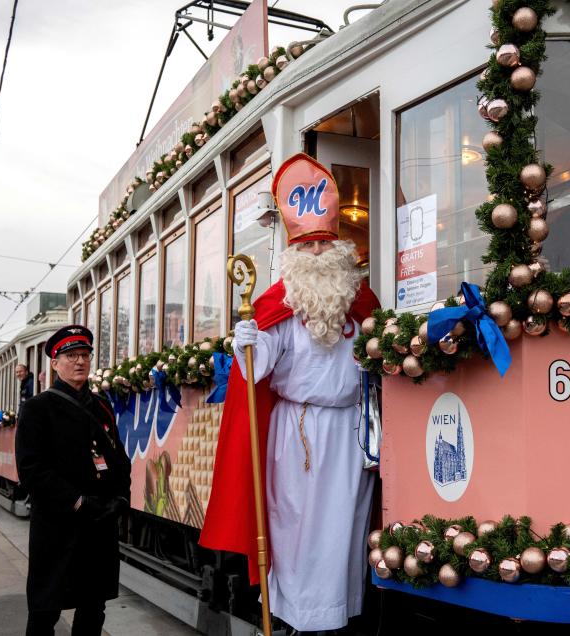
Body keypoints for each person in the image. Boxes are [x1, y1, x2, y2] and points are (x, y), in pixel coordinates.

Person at [200, 153, 380, 633]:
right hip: (298, 436)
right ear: (295, 255)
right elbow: (254, 373)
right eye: (311, 245)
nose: (320, 253)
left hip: (348, 433)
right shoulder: (277, 306)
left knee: (346, 530)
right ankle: (298, 621)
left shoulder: (360, 303)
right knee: (300, 532)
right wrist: (247, 344)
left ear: (341, 250)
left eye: (326, 243)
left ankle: (340, 619)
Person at [15, 325, 131, 636]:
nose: (79, 361)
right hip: (58, 526)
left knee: (93, 607)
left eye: (84, 355)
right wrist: (77, 501)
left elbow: (119, 458)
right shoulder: (37, 408)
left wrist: (120, 497)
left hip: (99, 525)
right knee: (45, 609)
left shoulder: (102, 406)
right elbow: (31, 469)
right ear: (54, 363)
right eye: (70, 356)